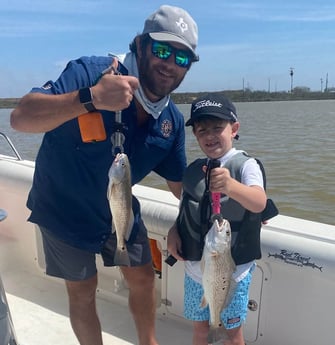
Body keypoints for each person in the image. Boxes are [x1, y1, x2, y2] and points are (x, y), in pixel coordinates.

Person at [10, 5, 199, 345]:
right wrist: (91, 98)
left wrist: (220, 204)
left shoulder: (170, 120)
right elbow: (21, 118)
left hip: (119, 209)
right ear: (140, 45)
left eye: (182, 58)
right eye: (161, 49)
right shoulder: (91, 73)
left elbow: (177, 184)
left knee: (142, 278)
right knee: (83, 290)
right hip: (62, 207)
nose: (170, 63)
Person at [167, 93, 267, 345]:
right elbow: (186, 210)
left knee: (233, 334)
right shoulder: (194, 169)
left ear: (234, 129)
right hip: (195, 271)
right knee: (201, 331)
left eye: (216, 128)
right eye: (201, 131)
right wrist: (173, 231)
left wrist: (231, 186)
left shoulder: (246, 165)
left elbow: (259, 201)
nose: (209, 136)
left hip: (231, 273)